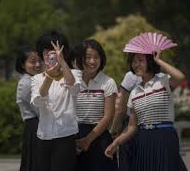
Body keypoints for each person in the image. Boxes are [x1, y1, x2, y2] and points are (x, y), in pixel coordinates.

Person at [105, 50, 188, 171]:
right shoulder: (134, 92)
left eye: (140, 60)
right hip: (143, 140)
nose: (136, 64)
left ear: (149, 61)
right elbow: (132, 127)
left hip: (164, 137)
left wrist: (159, 61)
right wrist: (115, 143)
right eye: (133, 61)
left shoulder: (163, 81)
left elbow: (180, 77)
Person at [31, 30, 81, 171]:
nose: (51, 55)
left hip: (66, 136)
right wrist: (49, 76)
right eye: (46, 51)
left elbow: (74, 88)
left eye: (54, 51)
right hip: (43, 136)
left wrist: (63, 63)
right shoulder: (37, 78)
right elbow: (38, 101)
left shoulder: (74, 73)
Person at [75, 39, 118, 171]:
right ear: (80, 58)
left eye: (96, 57)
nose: (92, 61)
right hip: (75, 136)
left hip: (99, 137)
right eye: (88, 57)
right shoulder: (73, 81)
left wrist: (88, 140)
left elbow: (108, 116)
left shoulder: (108, 82)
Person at [15, 45, 42, 171]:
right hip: (35, 127)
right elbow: (39, 110)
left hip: (39, 125)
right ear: (22, 65)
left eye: (39, 61)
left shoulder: (35, 80)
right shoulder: (26, 83)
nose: (37, 64)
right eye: (32, 61)